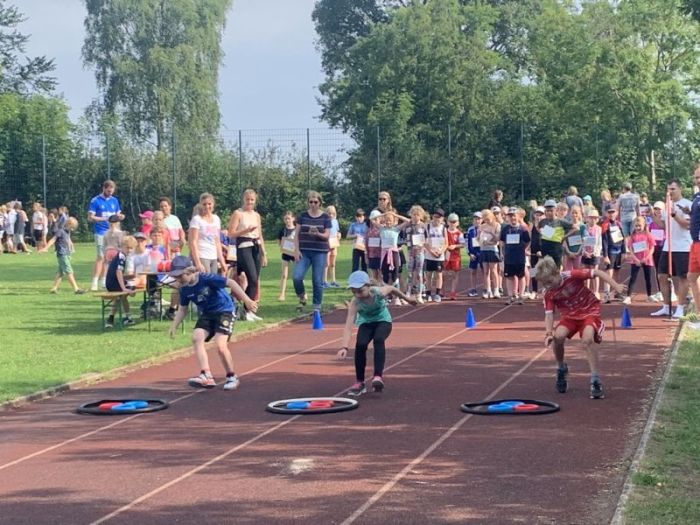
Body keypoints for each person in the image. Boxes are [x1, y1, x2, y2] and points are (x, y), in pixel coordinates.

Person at [535, 256, 627, 400]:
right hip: (569, 316)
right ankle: (561, 368)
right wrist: (548, 333)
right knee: (557, 337)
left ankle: (595, 379)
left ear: (556, 273)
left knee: (587, 339)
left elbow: (597, 273)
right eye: (544, 283)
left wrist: (615, 286)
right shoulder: (548, 293)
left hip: (589, 310)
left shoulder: (572, 275)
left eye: (549, 281)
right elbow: (549, 315)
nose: (548, 286)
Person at [166, 255, 258, 390]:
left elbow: (231, 283)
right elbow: (183, 309)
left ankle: (231, 376)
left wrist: (247, 300)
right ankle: (206, 375)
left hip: (224, 310)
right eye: (176, 277)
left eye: (181, 276)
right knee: (197, 337)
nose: (178, 280)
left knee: (220, 345)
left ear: (190, 271)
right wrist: (174, 325)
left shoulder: (206, 279)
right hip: (208, 314)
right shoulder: (184, 289)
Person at [338, 270, 417, 396]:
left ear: (368, 286)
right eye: (354, 292)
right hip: (366, 323)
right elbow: (348, 326)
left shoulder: (378, 292)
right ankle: (360, 382)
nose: (358, 295)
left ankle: (377, 377)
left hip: (383, 321)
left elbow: (392, 288)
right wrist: (344, 347)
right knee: (360, 344)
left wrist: (407, 299)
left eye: (360, 291)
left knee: (378, 339)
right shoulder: (355, 302)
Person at [651, 179, 692, 318]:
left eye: (673, 189)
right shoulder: (667, 205)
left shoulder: (687, 204)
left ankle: (680, 307)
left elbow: (687, 224)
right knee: (662, 275)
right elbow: (663, 225)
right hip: (668, 247)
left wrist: (674, 214)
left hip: (683, 247)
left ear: (679, 189)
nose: (670, 192)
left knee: (682, 277)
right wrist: (652, 216)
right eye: (668, 189)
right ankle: (666, 306)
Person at [227, 189, 267, 321]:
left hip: (255, 246)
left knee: (255, 281)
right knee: (252, 278)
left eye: (252, 200)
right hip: (244, 246)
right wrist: (245, 230)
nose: (249, 202)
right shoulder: (238, 214)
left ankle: (247, 310)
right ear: (243, 199)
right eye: (247, 199)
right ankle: (244, 308)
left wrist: (263, 253)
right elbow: (231, 233)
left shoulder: (256, 215)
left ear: (255, 201)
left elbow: (260, 235)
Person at [293, 190, 332, 313]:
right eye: (311, 202)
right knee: (297, 276)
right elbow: (296, 235)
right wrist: (296, 250)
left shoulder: (325, 217)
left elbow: (327, 235)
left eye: (316, 202)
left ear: (320, 203)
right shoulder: (303, 216)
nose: (313, 204)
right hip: (304, 251)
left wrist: (317, 233)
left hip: (319, 251)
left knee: (317, 280)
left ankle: (316, 306)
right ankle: (302, 295)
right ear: (308, 203)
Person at [88, 180, 124, 290]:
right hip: (101, 232)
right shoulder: (95, 201)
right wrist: (104, 219)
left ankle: (104, 281)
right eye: (108, 190)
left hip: (113, 233)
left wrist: (120, 217)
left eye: (112, 191)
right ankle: (94, 281)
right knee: (101, 256)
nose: (110, 193)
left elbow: (117, 215)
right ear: (104, 188)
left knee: (110, 258)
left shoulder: (114, 200)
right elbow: (90, 217)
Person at [38, 217, 86, 294]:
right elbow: (53, 240)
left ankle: (54, 288)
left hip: (66, 254)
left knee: (60, 272)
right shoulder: (60, 231)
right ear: (69, 224)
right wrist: (46, 248)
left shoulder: (67, 232)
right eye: (73, 227)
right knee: (69, 271)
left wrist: (71, 246)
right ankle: (76, 289)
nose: (73, 229)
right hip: (62, 254)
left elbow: (68, 240)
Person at [189, 192, 227, 275]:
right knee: (205, 283)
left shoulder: (216, 219)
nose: (207, 206)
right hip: (202, 255)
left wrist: (222, 261)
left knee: (213, 283)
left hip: (213, 256)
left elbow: (217, 242)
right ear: (201, 205)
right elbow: (193, 242)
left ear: (213, 204)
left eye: (209, 204)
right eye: (204, 204)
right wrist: (198, 262)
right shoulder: (197, 220)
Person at [104, 236, 138, 328]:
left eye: (131, 248)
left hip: (111, 282)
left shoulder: (123, 256)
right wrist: (123, 288)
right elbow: (118, 272)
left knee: (122, 297)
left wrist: (127, 277)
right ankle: (125, 317)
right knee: (129, 290)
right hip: (113, 284)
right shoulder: (121, 256)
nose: (129, 250)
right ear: (122, 247)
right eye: (127, 247)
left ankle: (116, 318)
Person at [500, 207, 530, 304]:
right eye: (511, 216)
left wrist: (525, 249)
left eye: (514, 215)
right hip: (509, 256)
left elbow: (528, 241)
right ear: (508, 217)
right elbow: (501, 242)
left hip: (520, 256)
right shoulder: (505, 229)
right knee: (509, 277)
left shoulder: (523, 229)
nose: (513, 218)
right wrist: (501, 252)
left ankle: (520, 295)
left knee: (521, 276)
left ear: (518, 216)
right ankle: (510, 296)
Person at [623, 216, 655, 304]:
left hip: (646, 260)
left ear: (644, 225)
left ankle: (649, 295)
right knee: (633, 278)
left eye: (639, 226)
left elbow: (652, 248)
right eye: (636, 226)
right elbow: (630, 249)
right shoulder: (633, 236)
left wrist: (646, 258)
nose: (638, 228)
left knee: (648, 278)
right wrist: (636, 259)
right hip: (635, 260)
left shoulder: (648, 235)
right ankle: (628, 296)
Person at [537, 199, 577, 269]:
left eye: (551, 211)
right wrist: (541, 232)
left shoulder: (561, 221)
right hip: (545, 249)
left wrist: (564, 237)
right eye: (547, 211)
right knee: (546, 270)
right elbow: (538, 227)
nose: (549, 213)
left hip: (556, 249)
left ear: (555, 210)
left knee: (556, 270)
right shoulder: (543, 221)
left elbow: (576, 228)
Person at [601, 207, 626, 303]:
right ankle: (606, 294)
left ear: (616, 213)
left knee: (616, 272)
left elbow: (622, 238)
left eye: (613, 212)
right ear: (607, 214)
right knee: (609, 273)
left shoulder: (619, 224)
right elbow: (604, 242)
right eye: (609, 212)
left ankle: (616, 292)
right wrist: (605, 256)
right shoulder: (605, 225)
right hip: (611, 251)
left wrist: (623, 251)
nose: (611, 214)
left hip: (619, 250)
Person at [403, 205, 428, 303]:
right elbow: (405, 238)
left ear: (421, 216)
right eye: (413, 214)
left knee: (419, 273)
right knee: (409, 274)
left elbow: (426, 239)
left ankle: (419, 294)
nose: (415, 216)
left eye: (417, 215)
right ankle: (407, 294)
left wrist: (423, 248)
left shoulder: (423, 226)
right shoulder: (407, 226)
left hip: (420, 252)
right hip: (410, 252)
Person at [424, 208, 448, 302]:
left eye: (439, 217)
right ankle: (428, 293)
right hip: (429, 255)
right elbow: (424, 242)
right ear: (432, 217)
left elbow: (446, 243)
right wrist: (431, 251)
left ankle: (437, 294)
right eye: (435, 217)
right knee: (429, 275)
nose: (437, 219)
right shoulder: (427, 227)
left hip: (439, 255)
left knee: (439, 275)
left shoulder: (443, 228)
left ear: (442, 219)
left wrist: (441, 251)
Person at [581, 209, 603, 298]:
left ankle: (596, 292)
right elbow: (581, 241)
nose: (593, 220)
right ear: (587, 218)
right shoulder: (583, 228)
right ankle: (586, 291)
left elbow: (599, 243)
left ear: (597, 219)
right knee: (586, 273)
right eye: (591, 218)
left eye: (595, 218)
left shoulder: (599, 229)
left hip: (595, 254)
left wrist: (595, 252)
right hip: (585, 253)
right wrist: (584, 252)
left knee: (594, 273)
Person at [648, 201, 666, 301]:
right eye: (656, 209)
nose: (658, 211)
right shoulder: (651, 224)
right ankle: (660, 291)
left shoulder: (666, 221)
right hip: (656, 249)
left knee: (665, 270)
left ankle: (668, 291)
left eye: (660, 209)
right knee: (658, 270)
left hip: (665, 248)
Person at [277, 211, 296, 301]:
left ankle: (303, 293)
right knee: (284, 275)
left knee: (297, 274)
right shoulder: (282, 230)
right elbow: (279, 242)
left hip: (295, 254)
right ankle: (282, 294)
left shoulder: (297, 230)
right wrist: (283, 245)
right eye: (285, 219)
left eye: (289, 218)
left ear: (293, 219)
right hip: (285, 254)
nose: (287, 220)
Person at [444, 213, 463, 300]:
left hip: (455, 256)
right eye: (451, 222)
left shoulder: (459, 233)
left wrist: (455, 246)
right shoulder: (444, 231)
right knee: (443, 274)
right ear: (448, 222)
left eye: (454, 222)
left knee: (455, 274)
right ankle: (441, 290)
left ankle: (453, 291)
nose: (452, 223)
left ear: (457, 223)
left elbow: (462, 244)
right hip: (446, 255)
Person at [323, 205, 341, 288]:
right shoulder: (324, 221)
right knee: (326, 263)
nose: (331, 215)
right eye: (329, 213)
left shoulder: (335, 221)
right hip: (326, 244)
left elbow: (337, 231)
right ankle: (324, 281)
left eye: (332, 213)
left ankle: (333, 281)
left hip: (334, 244)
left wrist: (338, 235)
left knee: (333, 264)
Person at [466, 211, 483, 298]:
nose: (477, 221)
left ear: (482, 220)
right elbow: (467, 242)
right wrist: (469, 253)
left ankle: (486, 289)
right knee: (473, 271)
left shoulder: (484, 228)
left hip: (482, 252)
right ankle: (473, 289)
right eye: (475, 219)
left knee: (485, 271)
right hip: (473, 253)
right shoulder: (470, 230)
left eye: (479, 219)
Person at [347, 208, 368, 273]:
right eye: (358, 217)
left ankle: (365, 280)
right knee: (355, 264)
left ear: (364, 217)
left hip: (364, 247)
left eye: (361, 217)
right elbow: (348, 236)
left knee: (364, 265)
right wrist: (355, 235)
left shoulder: (367, 225)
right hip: (356, 247)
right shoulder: (353, 225)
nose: (359, 218)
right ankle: (353, 280)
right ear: (355, 217)